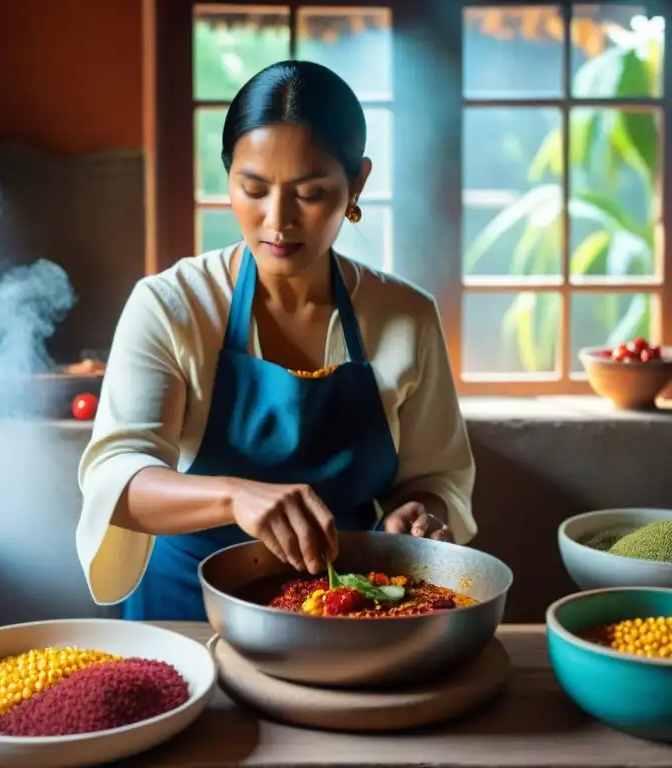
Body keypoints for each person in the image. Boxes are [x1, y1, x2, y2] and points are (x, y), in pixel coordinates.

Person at [76, 60, 476, 621]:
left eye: (310, 193)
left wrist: (421, 513)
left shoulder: (406, 315)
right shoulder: (172, 304)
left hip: (349, 605)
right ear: (229, 178)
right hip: (187, 605)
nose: (278, 221)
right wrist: (235, 496)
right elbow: (116, 478)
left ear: (356, 184)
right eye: (254, 189)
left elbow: (438, 478)